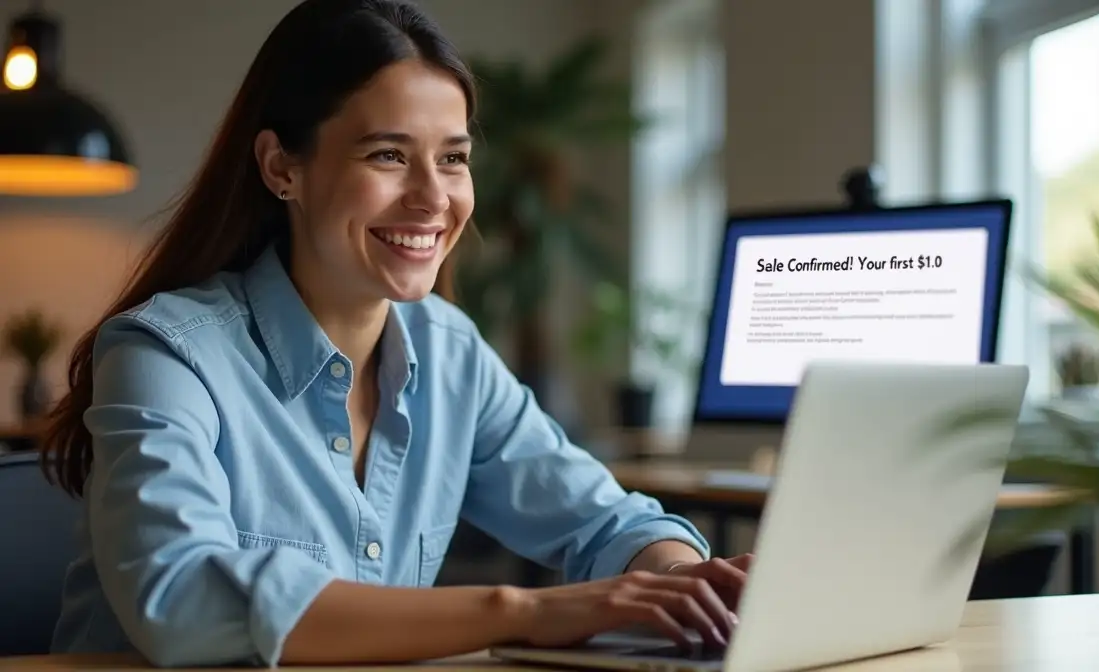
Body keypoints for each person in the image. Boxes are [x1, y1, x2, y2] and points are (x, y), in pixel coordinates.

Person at [37, 0, 753, 667]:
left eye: (453, 157)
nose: (433, 198)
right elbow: (180, 597)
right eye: (387, 154)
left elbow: (605, 524)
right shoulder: (163, 354)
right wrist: (522, 610)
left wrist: (685, 584)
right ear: (282, 166)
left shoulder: (450, 353)